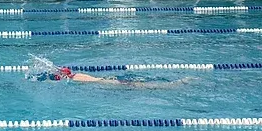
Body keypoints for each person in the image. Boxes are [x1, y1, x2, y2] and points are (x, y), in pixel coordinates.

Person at [25, 56, 194, 88]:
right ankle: (172, 85)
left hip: (105, 82)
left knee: (139, 86)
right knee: (138, 84)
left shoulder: (72, 79)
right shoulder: (72, 76)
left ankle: (172, 86)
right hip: (105, 80)